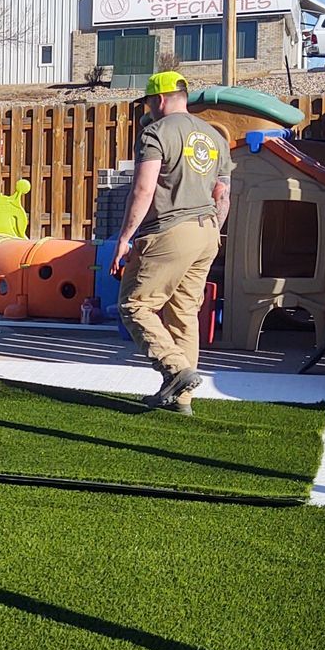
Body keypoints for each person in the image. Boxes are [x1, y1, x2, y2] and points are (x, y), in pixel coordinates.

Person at [110, 70, 233, 415]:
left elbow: (143, 189)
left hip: (169, 231)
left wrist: (124, 238)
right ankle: (181, 401)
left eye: (148, 103)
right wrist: (213, 233)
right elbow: (222, 194)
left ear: (159, 100)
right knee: (183, 314)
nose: (147, 109)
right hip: (208, 230)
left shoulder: (155, 132)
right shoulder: (214, 136)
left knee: (135, 305)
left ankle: (176, 369)